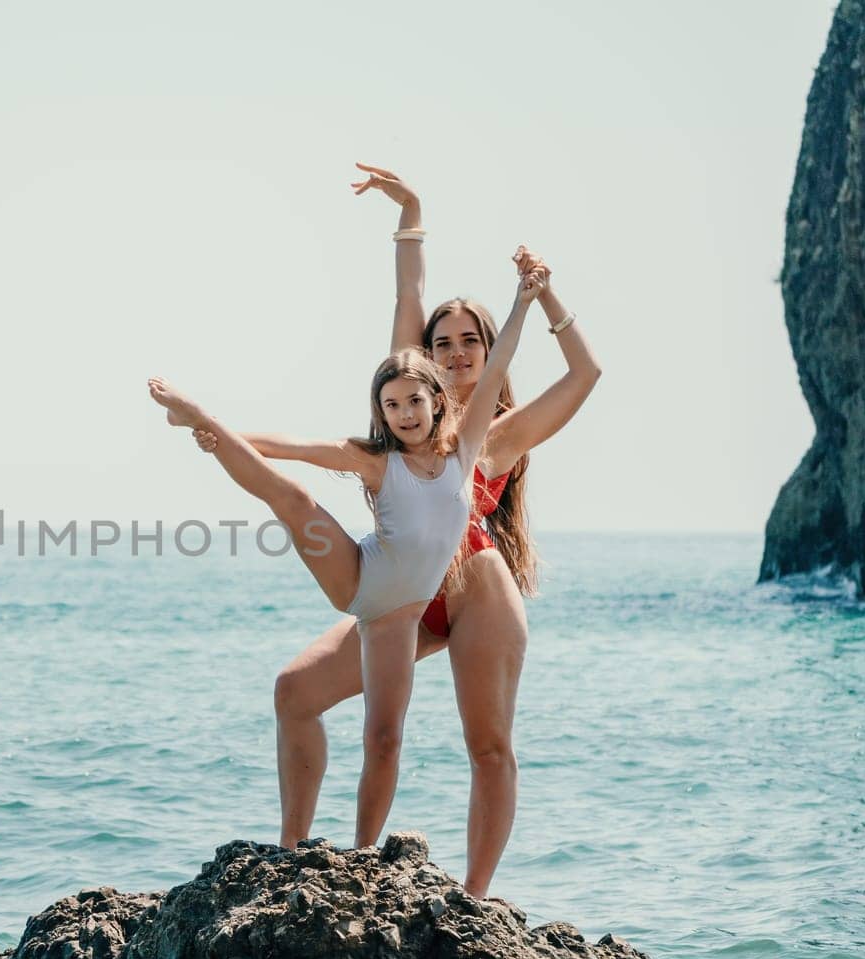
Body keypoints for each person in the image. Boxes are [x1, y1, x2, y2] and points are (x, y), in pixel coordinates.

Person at [194, 164, 601, 898]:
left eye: (468, 341)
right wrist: (411, 211)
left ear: (487, 350)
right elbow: (409, 296)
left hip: (477, 588)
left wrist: (543, 294)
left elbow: (585, 373)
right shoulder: (409, 402)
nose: (452, 352)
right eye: (441, 342)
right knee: (295, 692)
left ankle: (475, 899)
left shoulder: (495, 433)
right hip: (402, 593)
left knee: (489, 745)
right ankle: (297, 858)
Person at [148, 255, 545, 861]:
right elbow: (290, 449)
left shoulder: (469, 450)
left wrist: (524, 299)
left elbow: (501, 363)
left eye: (414, 401)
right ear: (380, 413)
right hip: (359, 578)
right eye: (391, 406)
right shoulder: (374, 459)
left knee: (383, 739)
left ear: (437, 402)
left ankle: (362, 857)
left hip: (396, 618)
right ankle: (199, 417)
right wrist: (216, 435)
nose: (405, 414)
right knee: (291, 497)